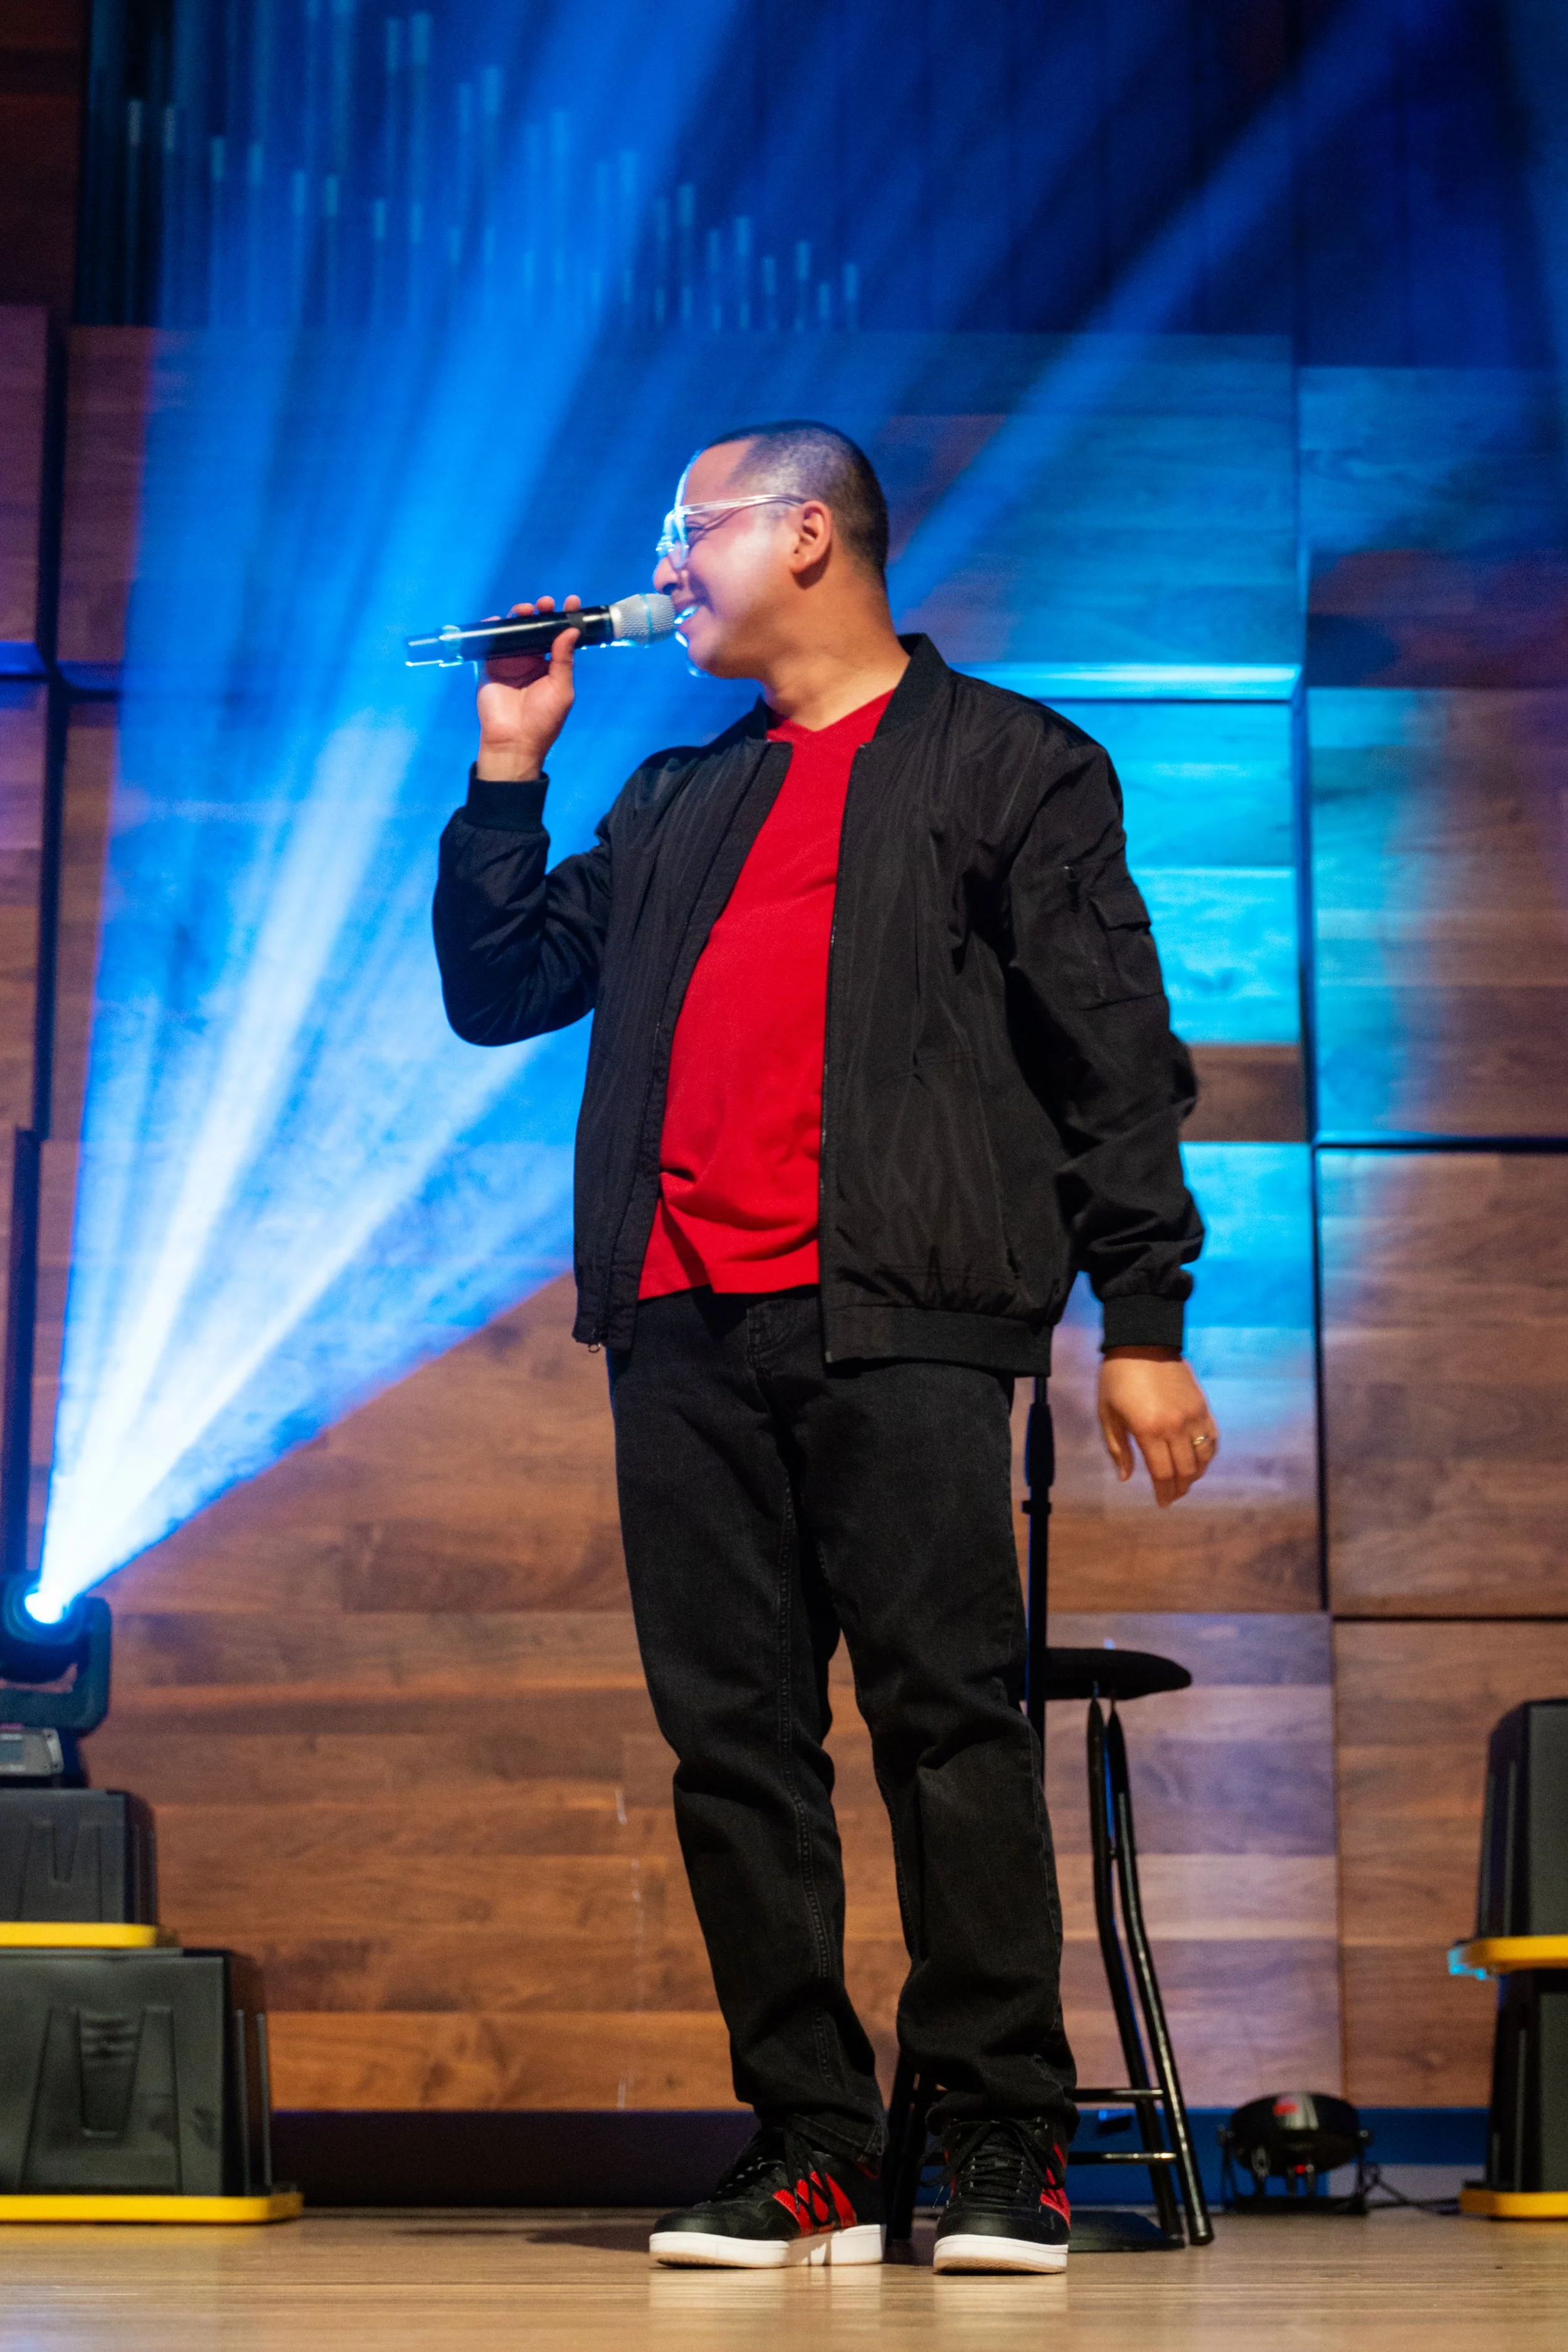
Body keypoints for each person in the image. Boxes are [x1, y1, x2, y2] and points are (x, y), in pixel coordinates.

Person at [432, 421, 1217, 2274]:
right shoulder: (675, 801)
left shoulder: (1008, 765)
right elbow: (501, 991)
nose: (659, 565)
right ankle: (808, 2143)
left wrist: (1144, 1317)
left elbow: (1111, 1052)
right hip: (682, 1326)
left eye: (680, 531)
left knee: (948, 1723)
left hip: (904, 1316)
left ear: (799, 536)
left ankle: (995, 2139)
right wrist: (505, 764)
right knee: (735, 1743)